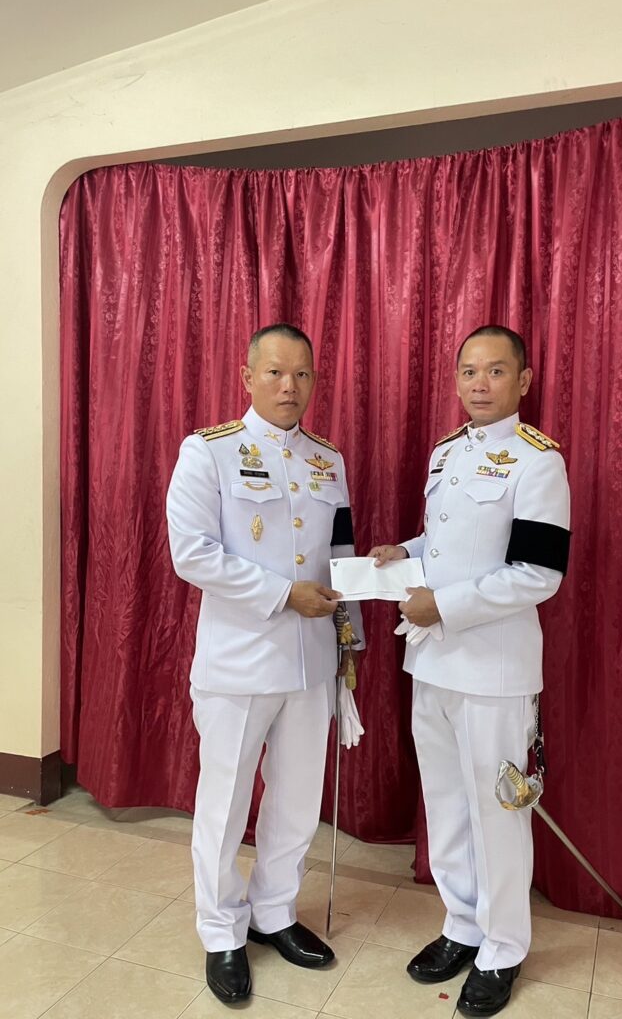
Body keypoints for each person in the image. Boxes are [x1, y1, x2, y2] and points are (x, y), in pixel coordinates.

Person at [369, 325, 570, 1018]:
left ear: (523, 379)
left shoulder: (538, 461)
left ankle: (504, 946)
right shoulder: (448, 452)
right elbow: (447, 541)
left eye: (495, 371)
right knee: (447, 803)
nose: (479, 384)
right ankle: (462, 924)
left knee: (498, 813)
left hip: (494, 669)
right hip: (432, 660)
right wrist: (406, 551)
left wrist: (445, 606)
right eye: (468, 371)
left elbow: (538, 572)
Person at [166, 323, 363, 1004]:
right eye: (276, 372)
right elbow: (191, 553)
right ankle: (222, 930)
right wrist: (282, 594)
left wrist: (350, 639)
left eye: (302, 374)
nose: (289, 386)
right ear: (248, 376)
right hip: (240, 661)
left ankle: (273, 912)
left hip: (311, 662)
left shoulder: (327, 460)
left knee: (297, 799)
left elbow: (341, 555)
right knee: (224, 803)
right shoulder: (209, 451)